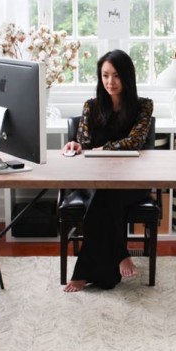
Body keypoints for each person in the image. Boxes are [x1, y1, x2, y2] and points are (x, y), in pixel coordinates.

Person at [62, 49, 153, 293]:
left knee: (108, 194)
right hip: (96, 179)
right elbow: (83, 142)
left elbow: (136, 141)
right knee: (105, 193)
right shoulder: (91, 106)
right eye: (104, 76)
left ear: (127, 77)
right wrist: (75, 145)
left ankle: (83, 273)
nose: (110, 82)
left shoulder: (143, 106)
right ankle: (120, 254)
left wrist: (103, 148)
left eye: (116, 76)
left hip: (132, 182)